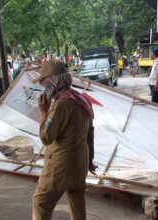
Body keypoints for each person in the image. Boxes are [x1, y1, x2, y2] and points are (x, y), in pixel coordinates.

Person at [32, 60, 96, 220]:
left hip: (61, 166)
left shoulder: (60, 105)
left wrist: (43, 112)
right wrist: (90, 160)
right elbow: (90, 132)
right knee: (77, 202)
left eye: (45, 84)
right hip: (80, 161)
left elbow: (46, 137)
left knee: (40, 202)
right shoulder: (82, 99)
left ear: (54, 82)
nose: (44, 88)